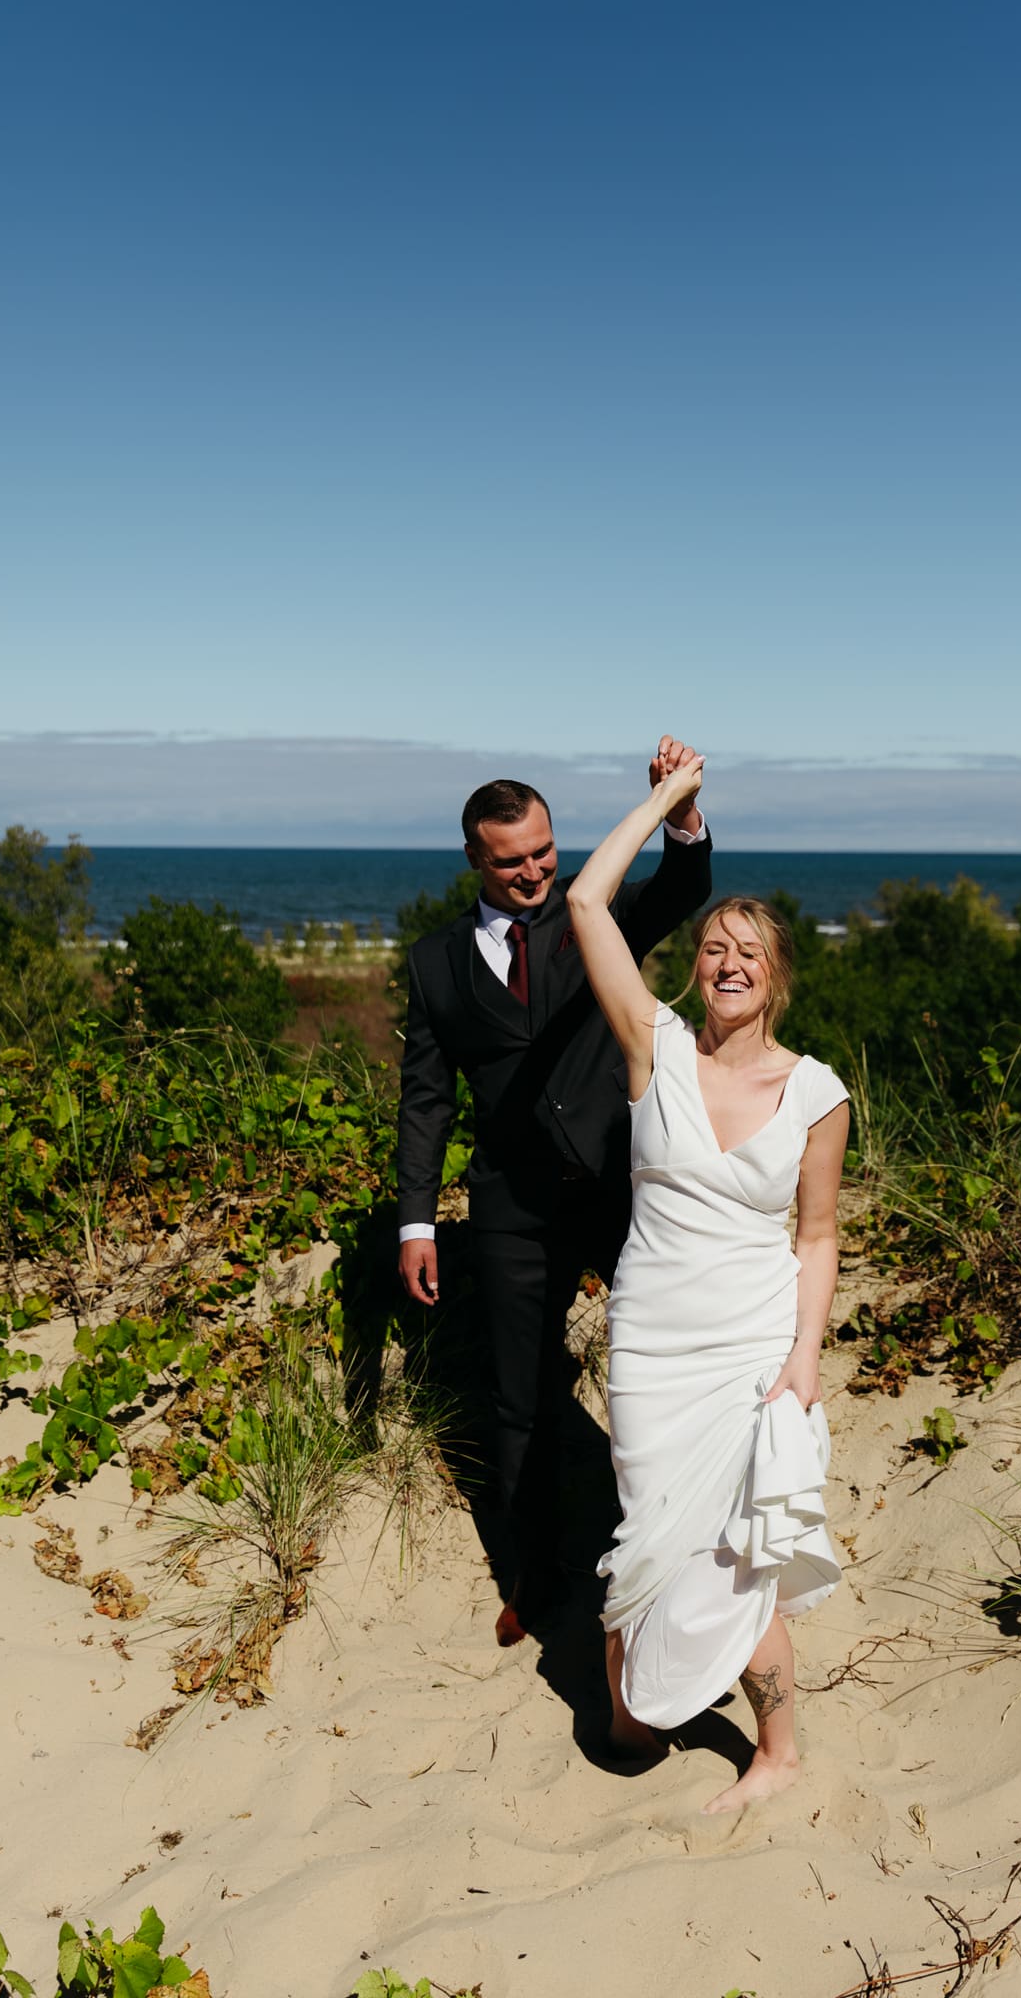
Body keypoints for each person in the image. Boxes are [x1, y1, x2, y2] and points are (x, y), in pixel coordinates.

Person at [566, 754, 849, 1812]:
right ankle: (639, 1708)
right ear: (695, 967)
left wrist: (803, 1358)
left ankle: (776, 1748)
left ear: (777, 977)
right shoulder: (657, 1049)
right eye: (714, 947)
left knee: (739, 1552)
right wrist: (672, 809)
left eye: (750, 952)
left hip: (749, 1347)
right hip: (650, 1341)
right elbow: (587, 898)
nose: (729, 961)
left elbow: (815, 1236)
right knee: (644, 1543)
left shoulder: (816, 1092)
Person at [396, 741, 712, 1646]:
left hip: (624, 1190)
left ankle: (690, 1549)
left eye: (543, 851)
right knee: (518, 1397)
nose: (534, 871)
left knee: (671, 1366)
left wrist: (679, 814)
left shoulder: (595, 916)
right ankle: (531, 1579)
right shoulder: (433, 963)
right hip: (509, 1208)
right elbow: (426, 1099)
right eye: (511, 859)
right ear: (473, 860)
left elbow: (681, 890)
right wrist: (417, 1222)